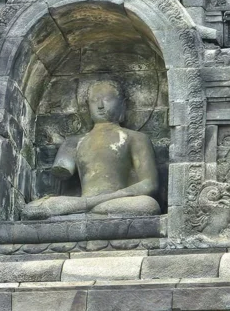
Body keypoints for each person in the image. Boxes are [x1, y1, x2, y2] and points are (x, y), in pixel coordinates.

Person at [22, 79, 161, 220]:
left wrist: (98, 200)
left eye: (108, 100)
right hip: (84, 202)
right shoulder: (73, 142)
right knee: (33, 208)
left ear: (122, 104)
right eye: (95, 101)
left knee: (148, 205)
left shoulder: (136, 138)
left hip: (116, 201)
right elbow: (61, 173)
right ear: (87, 106)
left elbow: (150, 184)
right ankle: (88, 212)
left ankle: (78, 214)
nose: (100, 106)